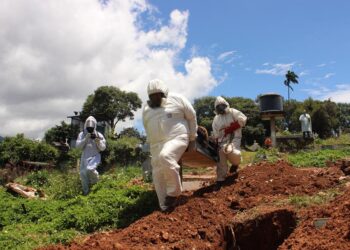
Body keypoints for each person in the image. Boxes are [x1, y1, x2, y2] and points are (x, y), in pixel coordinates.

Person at [142, 79, 197, 212]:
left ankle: (174, 192)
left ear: (164, 93)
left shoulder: (178, 99)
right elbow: (146, 125)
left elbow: (192, 116)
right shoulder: (146, 108)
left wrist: (192, 138)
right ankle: (165, 207)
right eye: (152, 96)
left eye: (158, 95)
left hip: (177, 137)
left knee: (166, 156)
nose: (155, 98)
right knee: (157, 173)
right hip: (156, 144)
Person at [212, 96, 247, 189]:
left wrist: (232, 128)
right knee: (220, 157)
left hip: (234, 138)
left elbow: (243, 119)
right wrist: (216, 142)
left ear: (225, 105)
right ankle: (220, 180)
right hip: (222, 141)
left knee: (230, 151)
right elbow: (216, 133)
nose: (220, 108)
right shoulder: (216, 118)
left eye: (221, 106)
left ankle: (235, 164)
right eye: (218, 107)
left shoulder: (232, 112)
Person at [76, 116, 106, 195]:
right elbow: (78, 147)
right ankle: (86, 193)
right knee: (83, 174)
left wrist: (97, 140)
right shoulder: (82, 134)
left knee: (90, 169)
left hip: (95, 156)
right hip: (84, 157)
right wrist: (85, 138)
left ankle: (96, 183)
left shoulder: (99, 135)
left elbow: (103, 148)